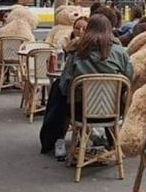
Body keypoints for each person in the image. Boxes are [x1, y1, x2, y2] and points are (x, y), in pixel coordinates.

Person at [39, 14, 134, 154]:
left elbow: (65, 86)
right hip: (112, 111)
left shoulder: (78, 52)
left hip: (80, 111)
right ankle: (112, 141)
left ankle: (55, 140)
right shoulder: (120, 53)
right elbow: (129, 78)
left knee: (59, 93)